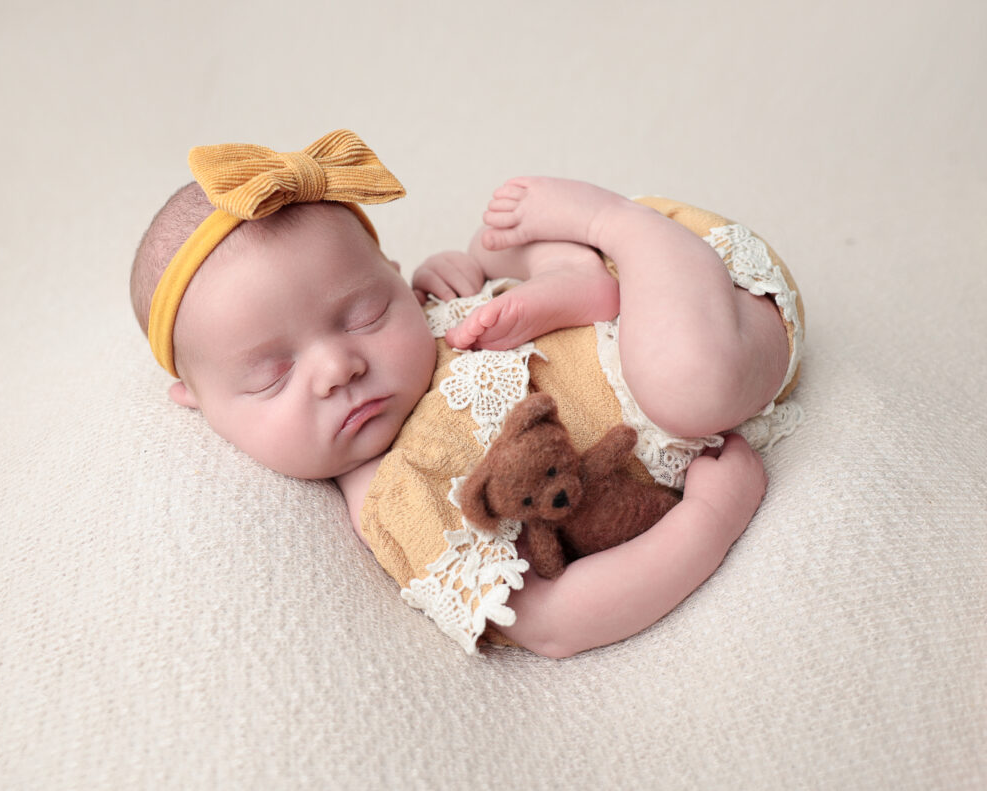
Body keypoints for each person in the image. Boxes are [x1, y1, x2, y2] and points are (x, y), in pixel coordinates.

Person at [131, 130, 804, 658]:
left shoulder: (428, 312)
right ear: (197, 399)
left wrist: (471, 272)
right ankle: (595, 244)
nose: (339, 366)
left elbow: (458, 282)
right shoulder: (399, 505)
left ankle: (602, 235)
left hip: (685, 273)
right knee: (688, 388)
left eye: (365, 312)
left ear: (395, 278)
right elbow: (555, 622)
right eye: (271, 373)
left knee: (497, 242)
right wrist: (710, 520)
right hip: (725, 341)